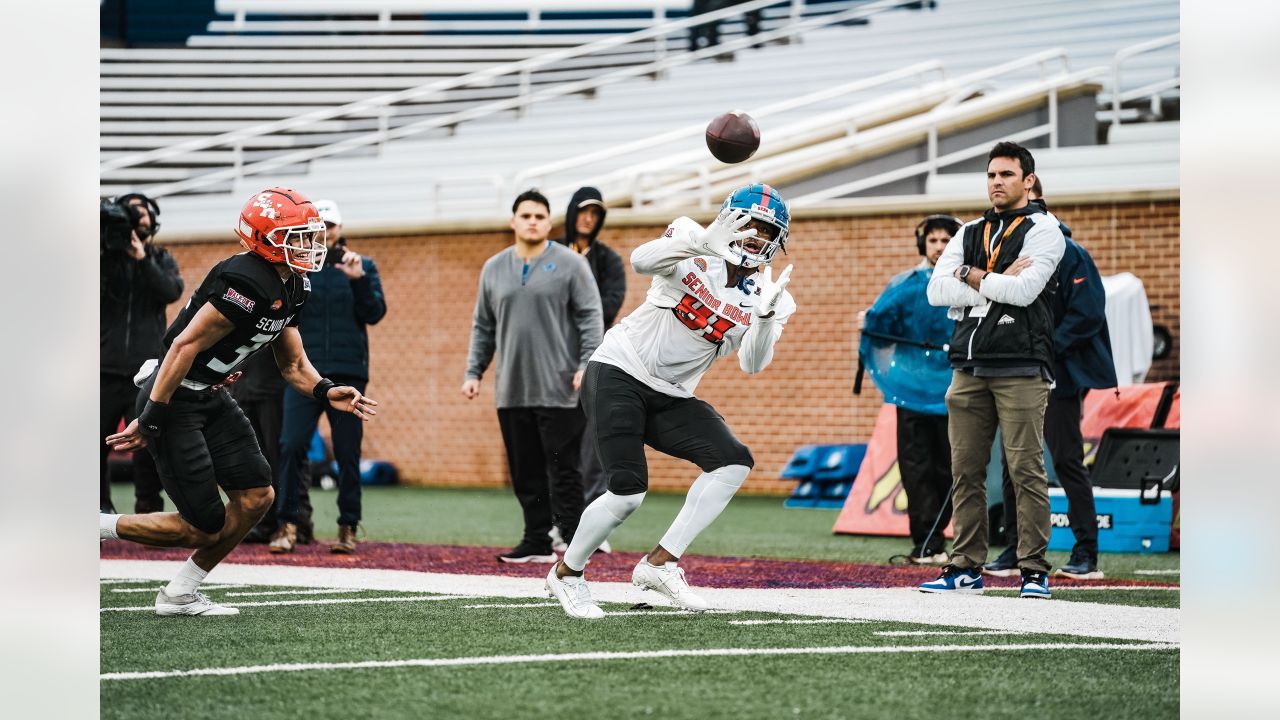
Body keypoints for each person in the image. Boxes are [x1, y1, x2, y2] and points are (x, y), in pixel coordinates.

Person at [101, 187, 378, 617]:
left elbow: (293, 363)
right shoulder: (245, 280)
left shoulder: (295, 285)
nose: (310, 245)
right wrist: (151, 417)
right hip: (174, 396)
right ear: (266, 239)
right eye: (297, 236)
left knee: (256, 498)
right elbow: (182, 348)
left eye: (310, 235)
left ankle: (180, 592)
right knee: (203, 526)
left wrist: (325, 389)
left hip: (211, 395)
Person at [545, 183, 797, 620]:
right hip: (619, 371)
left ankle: (660, 564)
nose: (755, 235)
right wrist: (700, 242)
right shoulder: (691, 240)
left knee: (733, 460)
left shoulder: (772, 295)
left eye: (765, 229)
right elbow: (641, 261)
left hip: (672, 393)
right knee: (627, 494)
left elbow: (753, 365)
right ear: (726, 220)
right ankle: (567, 574)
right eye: (748, 223)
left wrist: (765, 319)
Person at [922, 141, 1065, 600]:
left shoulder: (1047, 231)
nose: (996, 182)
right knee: (965, 470)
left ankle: (1033, 570)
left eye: (1006, 174)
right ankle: (965, 567)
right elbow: (935, 292)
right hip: (968, 364)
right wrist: (984, 280)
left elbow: (1024, 293)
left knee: (1025, 469)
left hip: (1023, 364)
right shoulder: (967, 231)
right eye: (990, 175)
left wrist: (972, 276)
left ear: (1028, 180)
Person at [984, 179, 1117, 580]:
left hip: (1058, 373)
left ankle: (1086, 553)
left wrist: (1043, 347)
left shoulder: (1071, 253)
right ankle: (1014, 548)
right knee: (1012, 462)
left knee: (1066, 460)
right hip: (1017, 372)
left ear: (1036, 199)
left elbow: (1088, 314)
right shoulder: (1009, 252)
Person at [462, 189, 604, 564]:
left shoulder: (572, 265)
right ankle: (536, 541)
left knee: (564, 470)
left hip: (560, 388)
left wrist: (587, 363)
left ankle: (575, 543)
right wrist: (474, 371)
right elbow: (483, 326)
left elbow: (591, 317)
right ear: (513, 221)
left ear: (549, 223)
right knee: (525, 473)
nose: (532, 221)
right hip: (512, 390)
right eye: (526, 216)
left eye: (540, 216)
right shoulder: (493, 268)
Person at [270, 199, 387, 555]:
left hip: (349, 372)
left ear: (339, 229)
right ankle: (288, 524)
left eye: (330, 225)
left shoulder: (362, 265)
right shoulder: (296, 268)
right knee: (291, 446)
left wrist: (359, 281)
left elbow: (375, 313)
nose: (325, 231)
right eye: (318, 225)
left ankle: (347, 526)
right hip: (304, 373)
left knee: (348, 453)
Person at [857, 214, 961, 565]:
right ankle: (924, 544)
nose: (939, 247)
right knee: (915, 468)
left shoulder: (965, 285)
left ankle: (937, 537)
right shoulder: (905, 283)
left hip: (951, 392)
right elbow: (881, 321)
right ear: (923, 245)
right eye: (933, 241)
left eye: (947, 241)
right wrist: (868, 320)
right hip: (911, 392)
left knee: (947, 467)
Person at [100, 193, 183, 514]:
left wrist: (141, 258)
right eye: (130, 214)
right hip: (105, 368)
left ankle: (148, 510)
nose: (138, 220)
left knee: (147, 444)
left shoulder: (160, 259)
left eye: (143, 213)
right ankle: (99, 512)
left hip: (145, 371)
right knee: (96, 445)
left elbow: (171, 291)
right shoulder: (105, 259)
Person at [553, 187, 626, 529]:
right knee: (555, 441)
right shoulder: (550, 254)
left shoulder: (607, 260)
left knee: (592, 442)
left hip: (594, 359)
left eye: (596, 214)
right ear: (571, 214)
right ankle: (557, 520)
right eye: (584, 211)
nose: (588, 218)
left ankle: (589, 523)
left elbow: (607, 307)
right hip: (551, 358)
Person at [231, 350, 314, 545]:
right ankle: (264, 524)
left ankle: (298, 523)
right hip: (242, 387)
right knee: (255, 463)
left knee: (282, 459)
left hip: (275, 388)